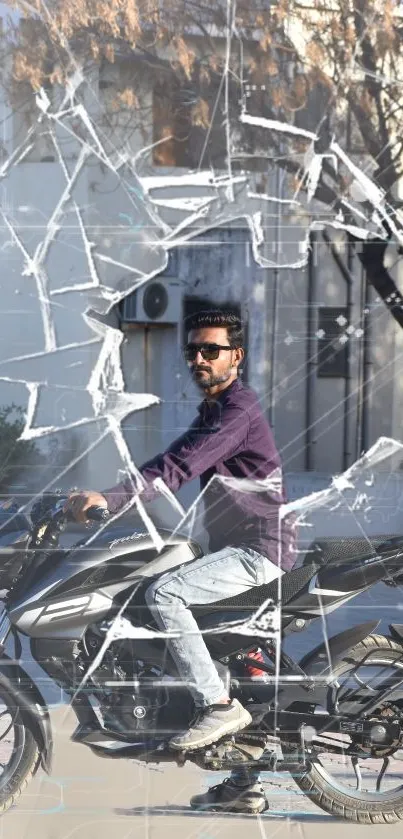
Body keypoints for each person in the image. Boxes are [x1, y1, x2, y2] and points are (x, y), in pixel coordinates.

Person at [64, 309, 296, 814]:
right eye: (192, 350)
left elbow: (179, 466)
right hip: (231, 547)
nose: (198, 358)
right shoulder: (215, 411)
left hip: (259, 550)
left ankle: (217, 706)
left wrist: (114, 496)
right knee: (224, 656)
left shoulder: (237, 412)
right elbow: (169, 458)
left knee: (164, 594)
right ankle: (244, 783)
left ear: (236, 355)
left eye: (210, 350)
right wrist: (108, 499)